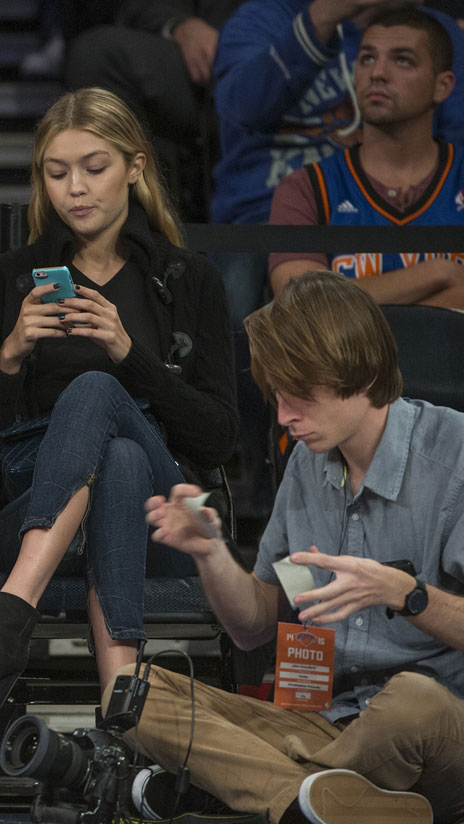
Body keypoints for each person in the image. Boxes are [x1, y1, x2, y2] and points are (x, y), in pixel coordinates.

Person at [0, 88, 237, 707]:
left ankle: (9, 617)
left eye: (94, 168)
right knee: (119, 463)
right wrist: (11, 352)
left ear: (135, 167)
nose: (75, 188)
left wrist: (132, 355)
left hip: (166, 524)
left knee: (101, 391)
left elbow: (217, 438)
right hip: (26, 512)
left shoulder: (190, 282)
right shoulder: (8, 280)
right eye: (57, 172)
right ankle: (121, 716)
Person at [132, 269, 464, 823]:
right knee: (134, 693)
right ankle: (326, 803)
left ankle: (261, 790)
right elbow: (256, 624)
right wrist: (211, 554)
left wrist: (406, 594)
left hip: (437, 725)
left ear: (357, 373)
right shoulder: (309, 466)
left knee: (413, 701)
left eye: (300, 397)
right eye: (277, 397)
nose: (284, 417)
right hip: (325, 723)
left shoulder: (454, 455)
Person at [269, 8, 464, 308]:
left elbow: (327, 307)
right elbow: (302, 305)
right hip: (351, 358)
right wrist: (438, 272)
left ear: (443, 86)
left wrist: (355, 302)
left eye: (402, 60)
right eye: (367, 58)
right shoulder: (306, 187)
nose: (378, 73)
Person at [65, 0, 244, 220]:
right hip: (210, 58)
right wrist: (181, 25)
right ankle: (138, 233)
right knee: (96, 56)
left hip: (281, 45)